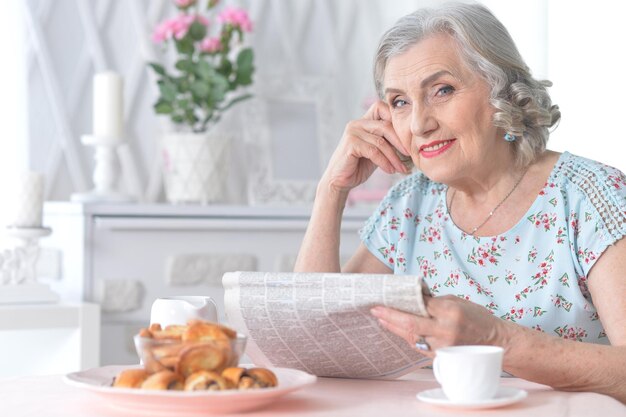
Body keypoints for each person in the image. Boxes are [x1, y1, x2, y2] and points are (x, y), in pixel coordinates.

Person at [294, 1, 626, 402]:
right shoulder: (408, 204)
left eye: (443, 90)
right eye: (400, 102)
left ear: (501, 91)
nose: (419, 124)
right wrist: (331, 191)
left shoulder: (589, 194)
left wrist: (496, 338)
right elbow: (314, 341)